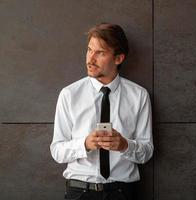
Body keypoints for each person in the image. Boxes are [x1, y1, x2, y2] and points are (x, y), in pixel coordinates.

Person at [50, 23, 153, 200]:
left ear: (118, 58)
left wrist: (124, 145)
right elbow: (57, 151)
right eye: (90, 50)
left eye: (100, 53)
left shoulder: (139, 96)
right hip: (79, 191)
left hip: (123, 192)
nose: (90, 59)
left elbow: (146, 151)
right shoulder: (69, 94)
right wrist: (85, 144)